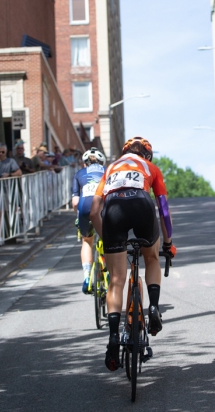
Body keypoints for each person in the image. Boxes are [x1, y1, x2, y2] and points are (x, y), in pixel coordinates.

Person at [89, 137, 176, 372]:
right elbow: (164, 210)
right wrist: (168, 243)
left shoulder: (111, 168)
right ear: (147, 156)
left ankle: (113, 339)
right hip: (141, 205)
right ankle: (155, 307)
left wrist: (107, 239)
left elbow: (94, 211)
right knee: (152, 258)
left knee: (116, 280)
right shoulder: (151, 168)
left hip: (114, 209)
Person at [71, 147, 106, 293]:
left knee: (87, 240)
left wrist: (79, 217)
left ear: (85, 163)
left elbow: (74, 203)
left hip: (85, 207)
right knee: (108, 239)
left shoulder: (79, 173)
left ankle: (86, 277)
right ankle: (109, 273)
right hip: (103, 207)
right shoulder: (107, 171)